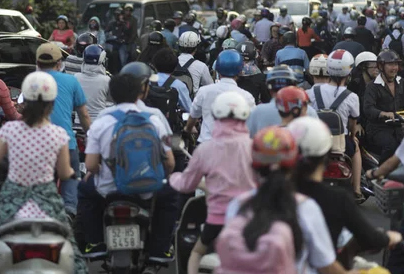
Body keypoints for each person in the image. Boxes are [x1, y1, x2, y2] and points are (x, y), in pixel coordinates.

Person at [0, 72, 88, 274]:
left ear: (24, 101)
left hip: (12, 197)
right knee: (70, 245)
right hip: (46, 199)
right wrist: (71, 173)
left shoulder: (10, 129)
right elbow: (63, 172)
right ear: (51, 103)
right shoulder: (58, 134)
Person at [218, 125, 349, 274]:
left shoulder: (237, 204)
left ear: (254, 164)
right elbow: (326, 265)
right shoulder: (306, 207)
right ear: (294, 163)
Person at [78, 73, 177, 266]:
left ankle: (95, 243)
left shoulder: (101, 122)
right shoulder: (155, 120)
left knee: (84, 191)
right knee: (170, 197)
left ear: (111, 94)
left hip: (108, 191)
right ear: (142, 92)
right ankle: (160, 249)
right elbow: (170, 163)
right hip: (148, 191)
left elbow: (90, 166)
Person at [290, 117, 401, 260]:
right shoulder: (337, 199)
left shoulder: (269, 193)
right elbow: (369, 237)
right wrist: (391, 237)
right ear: (326, 154)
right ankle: (357, 189)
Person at [169, 92, 256, 274]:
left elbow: (186, 184)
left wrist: (173, 177)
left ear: (215, 115)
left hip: (217, 219)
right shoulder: (254, 147)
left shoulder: (206, 149)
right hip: (251, 220)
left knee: (196, 253)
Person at [35, 42, 91, 219]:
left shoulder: (32, 81)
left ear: (37, 63)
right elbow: (83, 115)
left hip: (39, 145)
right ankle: (69, 211)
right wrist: (91, 135)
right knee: (70, 178)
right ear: (59, 63)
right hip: (66, 143)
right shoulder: (71, 80)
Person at [308, 49, 364, 202]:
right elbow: (353, 124)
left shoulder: (313, 91)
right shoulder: (352, 97)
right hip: (341, 143)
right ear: (349, 71)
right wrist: (353, 137)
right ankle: (357, 189)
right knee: (357, 149)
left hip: (315, 139)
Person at [187, 50, 255, 143]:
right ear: (240, 71)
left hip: (207, 146)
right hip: (234, 148)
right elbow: (252, 124)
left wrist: (188, 129)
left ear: (218, 69)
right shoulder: (246, 96)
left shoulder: (204, 91)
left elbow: (193, 116)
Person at [246, 65, 319, 137]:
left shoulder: (257, 112)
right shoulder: (307, 110)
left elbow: (249, 138)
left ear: (269, 89)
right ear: (294, 87)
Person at [363, 49, 404, 163]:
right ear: (381, 66)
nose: (394, 68)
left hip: (398, 126)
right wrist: (384, 114)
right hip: (378, 128)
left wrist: (402, 120)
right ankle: (381, 175)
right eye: (391, 64)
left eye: (396, 64)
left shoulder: (402, 83)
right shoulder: (372, 87)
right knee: (391, 146)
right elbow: (368, 108)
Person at [75, 44, 112, 121]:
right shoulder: (106, 80)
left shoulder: (76, 77)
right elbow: (111, 104)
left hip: (78, 122)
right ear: (103, 61)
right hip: (99, 124)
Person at [151, 48, 192, 112]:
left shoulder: (146, 81)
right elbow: (190, 109)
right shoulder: (179, 85)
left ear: (155, 65)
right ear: (174, 67)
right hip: (169, 120)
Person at [348, 52, 378, 131]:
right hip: (361, 122)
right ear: (363, 68)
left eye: (378, 66)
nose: (377, 69)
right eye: (374, 67)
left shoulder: (379, 84)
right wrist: (357, 123)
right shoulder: (354, 85)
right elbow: (350, 107)